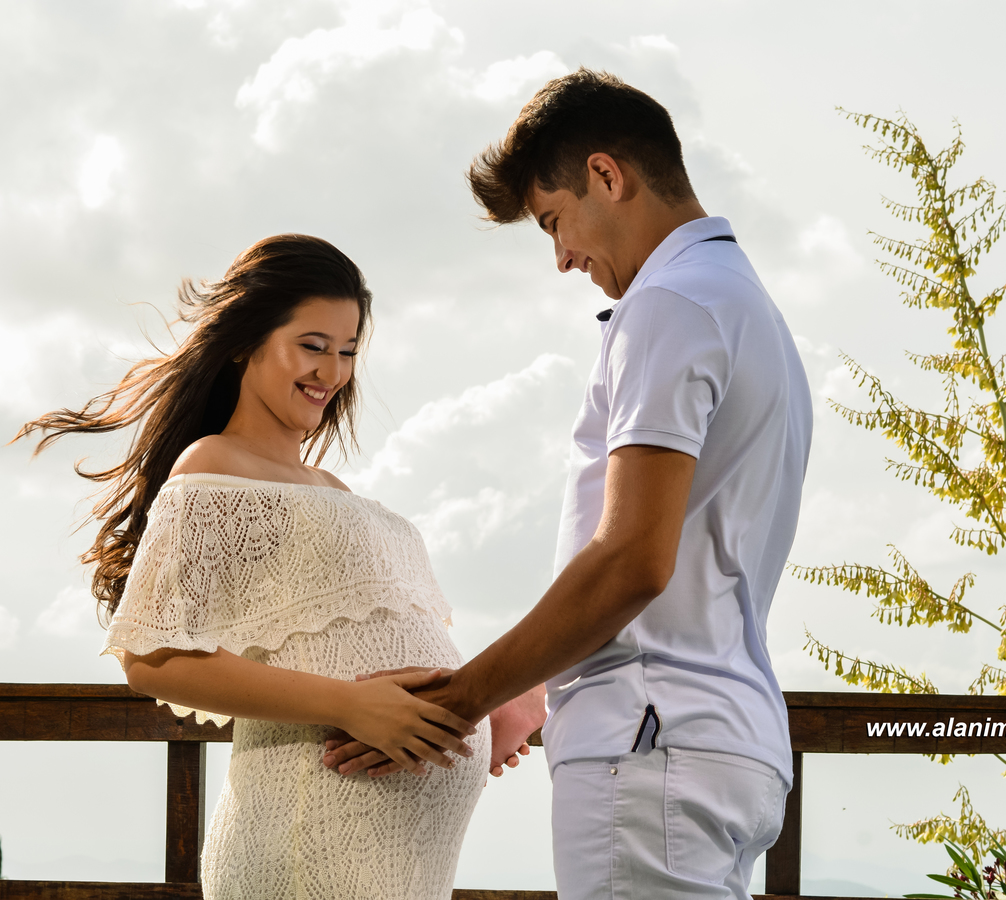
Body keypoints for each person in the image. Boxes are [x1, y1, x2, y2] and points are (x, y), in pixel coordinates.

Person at [325, 69, 814, 900]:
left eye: (554, 221)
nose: (561, 259)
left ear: (607, 176)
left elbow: (633, 561)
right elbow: (692, 573)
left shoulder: (670, 306)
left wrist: (464, 699)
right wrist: (540, 693)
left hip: (648, 747)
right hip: (722, 743)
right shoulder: (748, 308)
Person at [16, 234, 528, 900]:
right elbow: (152, 656)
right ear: (243, 341)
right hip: (307, 832)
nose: (332, 371)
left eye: (348, 352)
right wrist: (351, 704)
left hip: (395, 858)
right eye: (312, 346)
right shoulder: (212, 466)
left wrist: (478, 704)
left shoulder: (331, 490)